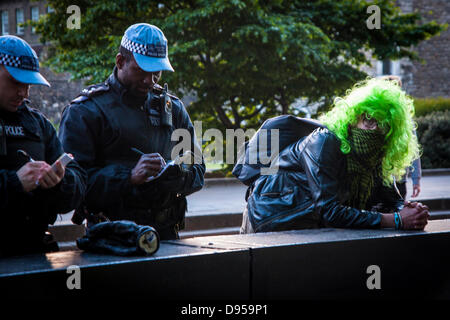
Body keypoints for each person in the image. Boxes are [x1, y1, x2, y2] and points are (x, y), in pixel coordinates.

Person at [59, 23, 205, 240]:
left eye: (156, 73)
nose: (149, 80)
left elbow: (198, 171)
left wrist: (175, 176)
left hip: (166, 235)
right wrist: (128, 177)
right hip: (112, 238)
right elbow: (70, 186)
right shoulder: (85, 111)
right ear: (120, 61)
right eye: (141, 71)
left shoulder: (173, 109)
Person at [238, 78, 429, 233]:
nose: (373, 128)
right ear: (354, 117)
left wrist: (410, 210)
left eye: (382, 124)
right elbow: (329, 211)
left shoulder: (375, 154)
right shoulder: (324, 142)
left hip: (311, 228)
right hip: (271, 219)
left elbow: (388, 198)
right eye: (369, 120)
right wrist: (396, 220)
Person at [0, 35, 86, 256]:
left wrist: (59, 181)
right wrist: (13, 183)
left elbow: (77, 184)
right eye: (16, 82)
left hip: (34, 248)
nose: (24, 92)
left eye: (28, 84)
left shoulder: (38, 124)